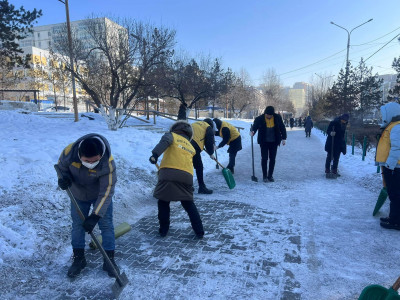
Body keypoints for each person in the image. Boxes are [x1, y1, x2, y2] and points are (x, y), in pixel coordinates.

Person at [56, 134, 119, 278]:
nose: (91, 163)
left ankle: (109, 260)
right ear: (80, 155)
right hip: (78, 194)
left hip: (99, 196)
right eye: (87, 161)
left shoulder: (107, 163)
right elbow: (61, 169)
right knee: (78, 226)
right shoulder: (69, 153)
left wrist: (95, 215)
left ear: (100, 155)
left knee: (106, 225)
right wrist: (64, 179)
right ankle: (79, 259)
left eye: (95, 160)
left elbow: (107, 192)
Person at [149, 120, 204, 238]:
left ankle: (163, 230)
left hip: (169, 172)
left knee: (163, 201)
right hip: (187, 176)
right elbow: (195, 163)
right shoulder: (191, 145)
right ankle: (199, 231)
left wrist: (155, 155)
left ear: (174, 129)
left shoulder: (171, 136)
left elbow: (164, 142)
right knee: (188, 203)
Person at [375, 102, 400, 230]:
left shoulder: (397, 127)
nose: (383, 116)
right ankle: (393, 217)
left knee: (395, 194)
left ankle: (396, 221)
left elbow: (397, 148)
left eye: (384, 114)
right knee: (393, 193)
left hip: (395, 167)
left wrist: (389, 166)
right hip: (392, 167)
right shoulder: (392, 126)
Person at [251, 106, 287, 182]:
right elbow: (255, 126)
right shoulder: (260, 118)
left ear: (272, 114)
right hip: (264, 142)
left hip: (274, 141)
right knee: (264, 158)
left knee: (272, 159)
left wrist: (284, 138)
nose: (268, 116)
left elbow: (282, 127)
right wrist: (252, 131)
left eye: (270, 115)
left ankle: (270, 176)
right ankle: (264, 176)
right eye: (267, 115)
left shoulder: (277, 118)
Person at [191, 118, 215, 194]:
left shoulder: (196, 124)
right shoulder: (208, 127)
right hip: (194, 147)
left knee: (187, 166)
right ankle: (202, 187)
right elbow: (209, 142)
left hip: (183, 144)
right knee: (199, 167)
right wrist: (211, 153)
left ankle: (187, 186)